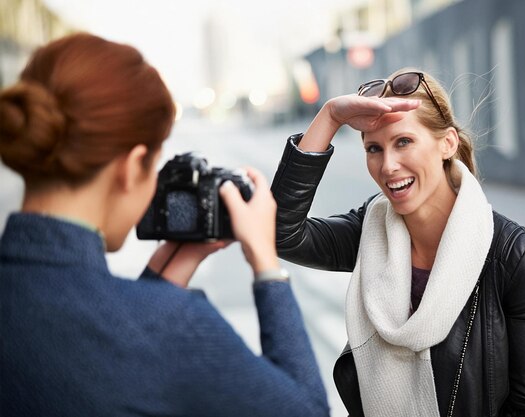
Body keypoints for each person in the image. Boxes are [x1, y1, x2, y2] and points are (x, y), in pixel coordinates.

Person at [0, 33, 329, 417]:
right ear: (130, 166)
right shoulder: (169, 325)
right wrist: (266, 266)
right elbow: (306, 410)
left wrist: (162, 282)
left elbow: (86, 357)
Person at [270, 68, 525, 417]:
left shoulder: (516, 258)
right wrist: (330, 115)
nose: (388, 166)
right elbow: (278, 233)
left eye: (404, 142)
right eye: (374, 149)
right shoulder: (371, 230)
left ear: (447, 143)